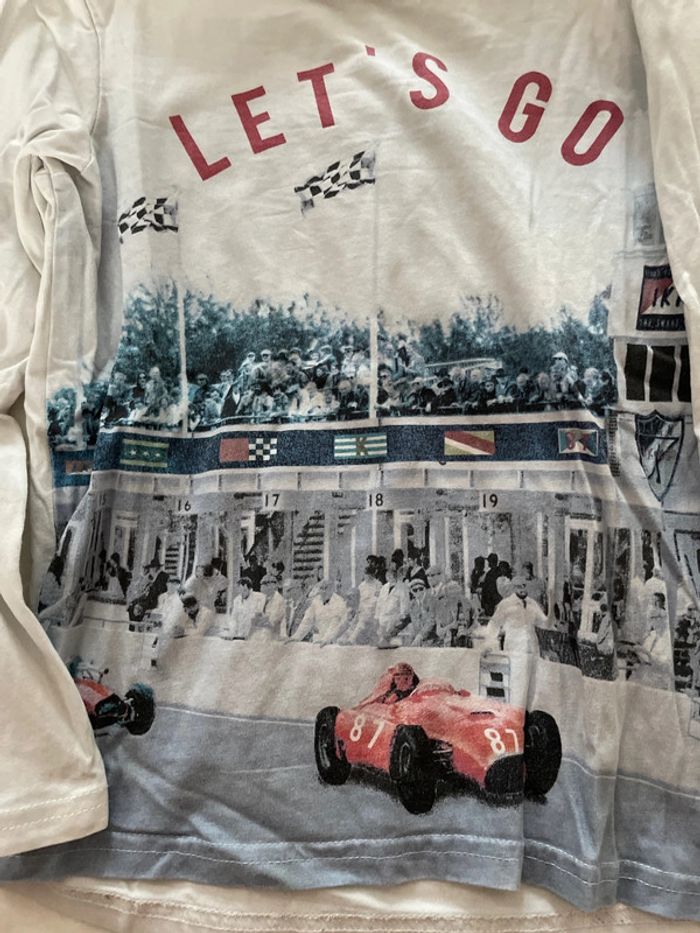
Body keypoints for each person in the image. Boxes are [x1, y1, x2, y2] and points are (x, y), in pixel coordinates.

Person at [482, 574, 546, 655]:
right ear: (513, 588)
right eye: (519, 586)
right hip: (514, 647)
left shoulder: (532, 603)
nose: (522, 589)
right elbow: (494, 625)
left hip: (531, 647)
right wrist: (488, 645)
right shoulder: (506, 604)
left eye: (524, 585)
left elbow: (543, 622)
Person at [291, 578, 349, 643]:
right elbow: (307, 621)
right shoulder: (315, 601)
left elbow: (335, 624)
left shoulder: (339, 602)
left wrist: (325, 639)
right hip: (319, 640)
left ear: (332, 589)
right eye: (321, 588)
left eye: (326, 588)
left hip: (334, 641)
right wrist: (296, 637)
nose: (323, 591)